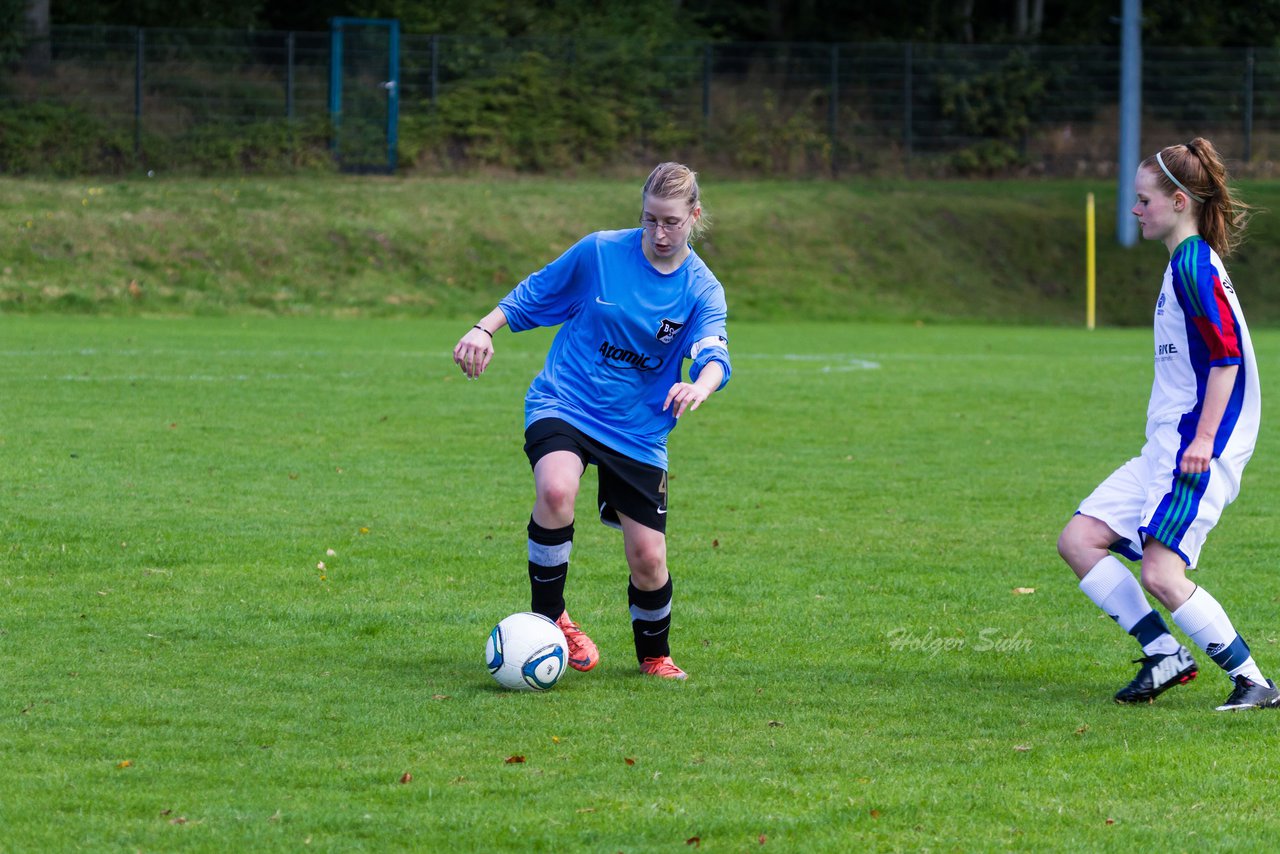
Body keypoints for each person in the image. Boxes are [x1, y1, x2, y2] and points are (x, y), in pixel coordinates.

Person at [453, 162, 731, 680]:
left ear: (694, 216)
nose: (659, 233)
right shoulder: (601, 252)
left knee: (648, 557)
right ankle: (550, 617)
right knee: (556, 490)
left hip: (638, 429)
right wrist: (483, 328)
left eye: (671, 221)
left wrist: (700, 384)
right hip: (567, 400)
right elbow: (538, 291)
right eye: (650, 220)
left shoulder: (701, 288)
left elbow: (715, 352)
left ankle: (654, 656)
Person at [1057, 137, 1277, 711]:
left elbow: (1226, 358)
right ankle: (1165, 656)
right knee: (1080, 539)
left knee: (1160, 571)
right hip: (1165, 446)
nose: (1135, 210)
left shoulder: (1195, 267)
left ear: (1179, 201)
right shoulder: (1184, 263)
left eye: (1143, 200)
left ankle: (1254, 682)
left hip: (1197, 447)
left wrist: (1204, 440)